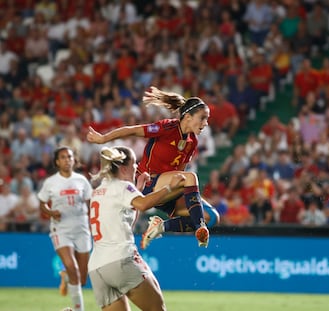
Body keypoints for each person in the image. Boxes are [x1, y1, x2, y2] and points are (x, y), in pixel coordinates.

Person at [87, 86, 219, 249]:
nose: (206, 123)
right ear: (188, 117)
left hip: (168, 189)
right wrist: (103, 138)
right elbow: (133, 130)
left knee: (212, 217)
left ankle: (160, 227)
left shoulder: (192, 142)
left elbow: (180, 172)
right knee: (191, 180)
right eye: (202, 118)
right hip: (149, 183)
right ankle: (200, 228)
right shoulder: (167, 127)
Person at [88, 146, 185, 311]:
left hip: (98, 268)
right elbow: (144, 204)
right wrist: (169, 188)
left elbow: (127, 220)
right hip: (121, 260)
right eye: (134, 163)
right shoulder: (122, 187)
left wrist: (138, 189)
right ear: (124, 168)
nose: (137, 166)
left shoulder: (98, 191)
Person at [37, 147, 93, 311]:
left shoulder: (82, 181)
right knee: (72, 266)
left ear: (74, 160)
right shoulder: (51, 182)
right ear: (57, 162)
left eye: (69, 157)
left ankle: (66, 276)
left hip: (82, 228)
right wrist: (51, 212)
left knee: (82, 279)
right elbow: (42, 203)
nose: (67, 160)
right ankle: (77, 310)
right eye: (63, 157)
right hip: (61, 229)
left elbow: (91, 202)